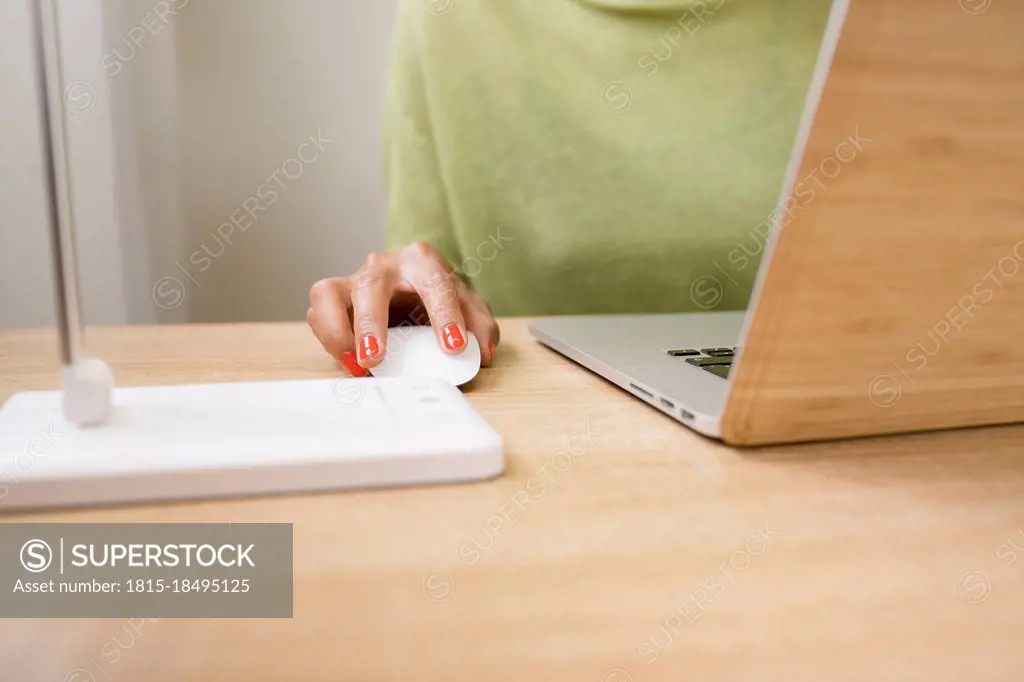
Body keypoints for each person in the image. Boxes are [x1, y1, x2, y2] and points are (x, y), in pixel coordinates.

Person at [307, 0, 832, 378]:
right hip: (544, 430)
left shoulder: (858, 18)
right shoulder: (450, 15)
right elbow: (432, 278)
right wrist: (414, 296)